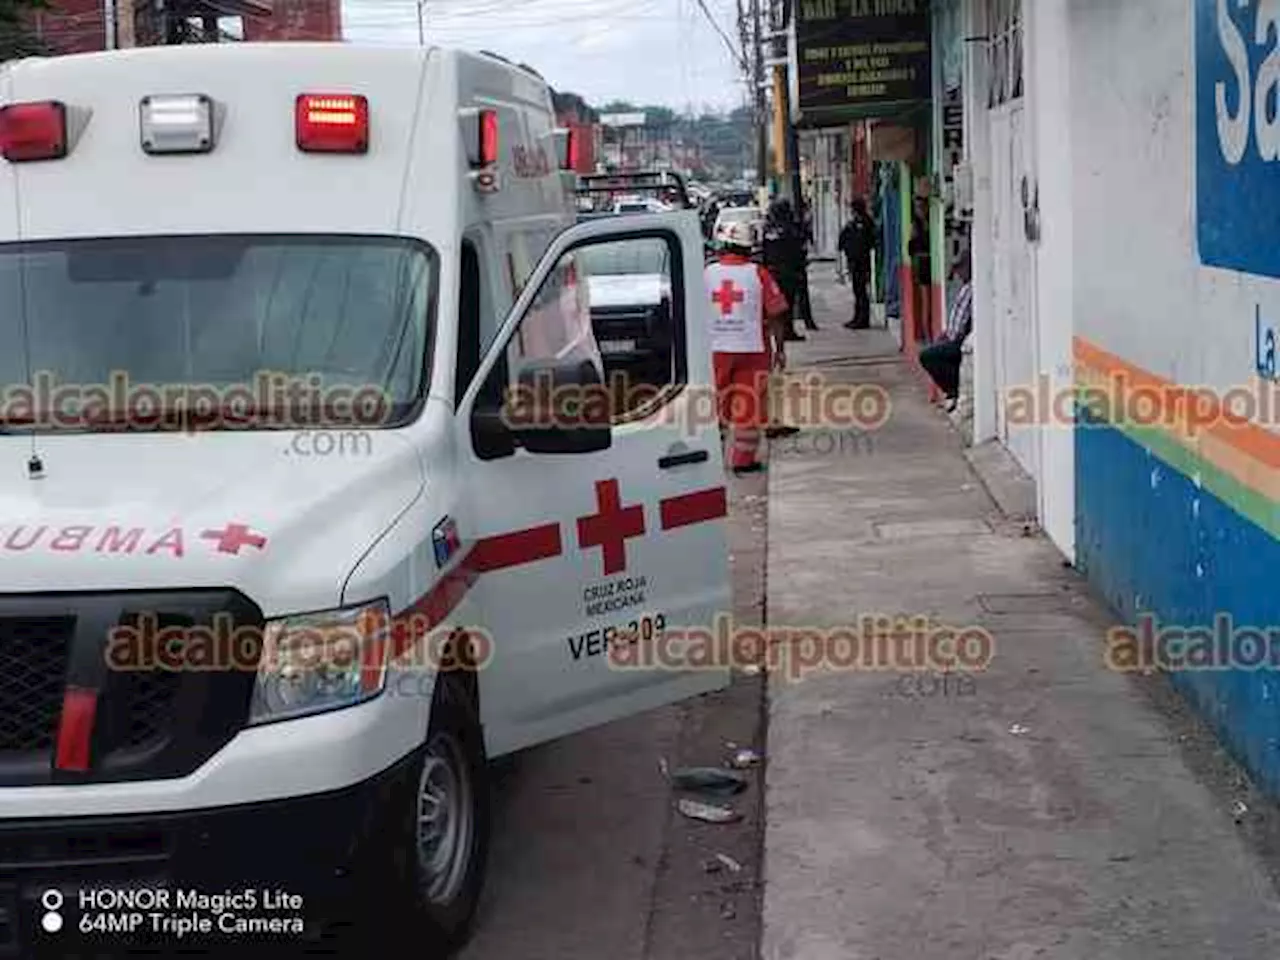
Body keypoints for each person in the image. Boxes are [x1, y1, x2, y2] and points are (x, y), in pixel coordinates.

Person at [704, 219, 790, 474]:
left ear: (724, 244)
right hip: (752, 349)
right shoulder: (758, 274)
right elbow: (776, 314)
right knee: (748, 407)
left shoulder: (707, 273)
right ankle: (742, 461)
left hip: (715, 349)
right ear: (749, 247)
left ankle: (709, 463)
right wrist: (781, 348)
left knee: (713, 406)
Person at [918, 253, 973, 412]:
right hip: (952, 337)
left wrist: (953, 337)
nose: (957, 274)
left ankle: (953, 390)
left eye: (960, 269)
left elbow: (964, 320)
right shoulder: (964, 287)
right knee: (934, 352)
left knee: (928, 356)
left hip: (960, 340)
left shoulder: (972, 288)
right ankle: (952, 391)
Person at [761, 198, 806, 342]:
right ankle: (787, 330)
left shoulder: (768, 229)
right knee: (788, 303)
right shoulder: (790, 228)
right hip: (788, 272)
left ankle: (779, 330)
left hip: (773, 271)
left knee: (775, 304)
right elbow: (797, 249)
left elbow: (764, 251)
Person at [838, 196, 877, 330]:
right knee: (857, 291)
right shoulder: (853, 223)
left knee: (861, 292)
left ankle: (863, 319)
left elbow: (869, 242)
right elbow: (843, 239)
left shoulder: (866, 223)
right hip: (854, 262)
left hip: (862, 262)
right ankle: (857, 317)